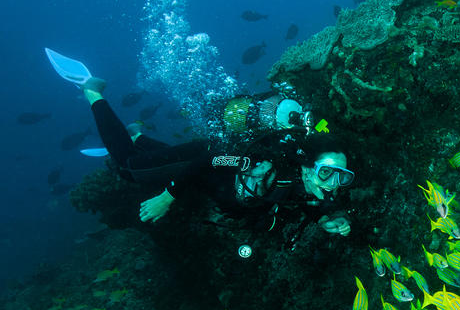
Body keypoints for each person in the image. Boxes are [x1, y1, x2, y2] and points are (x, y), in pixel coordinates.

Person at [80, 76, 351, 238]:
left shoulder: (300, 183)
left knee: (160, 161)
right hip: (203, 159)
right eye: (327, 173)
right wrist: (167, 198)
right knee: (130, 169)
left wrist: (325, 221)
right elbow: (206, 162)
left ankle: (138, 136)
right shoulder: (261, 165)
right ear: (307, 166)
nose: (333, 184)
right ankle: (93, 92)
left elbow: (299, 202)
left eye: (343, 176)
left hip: (209, 183)